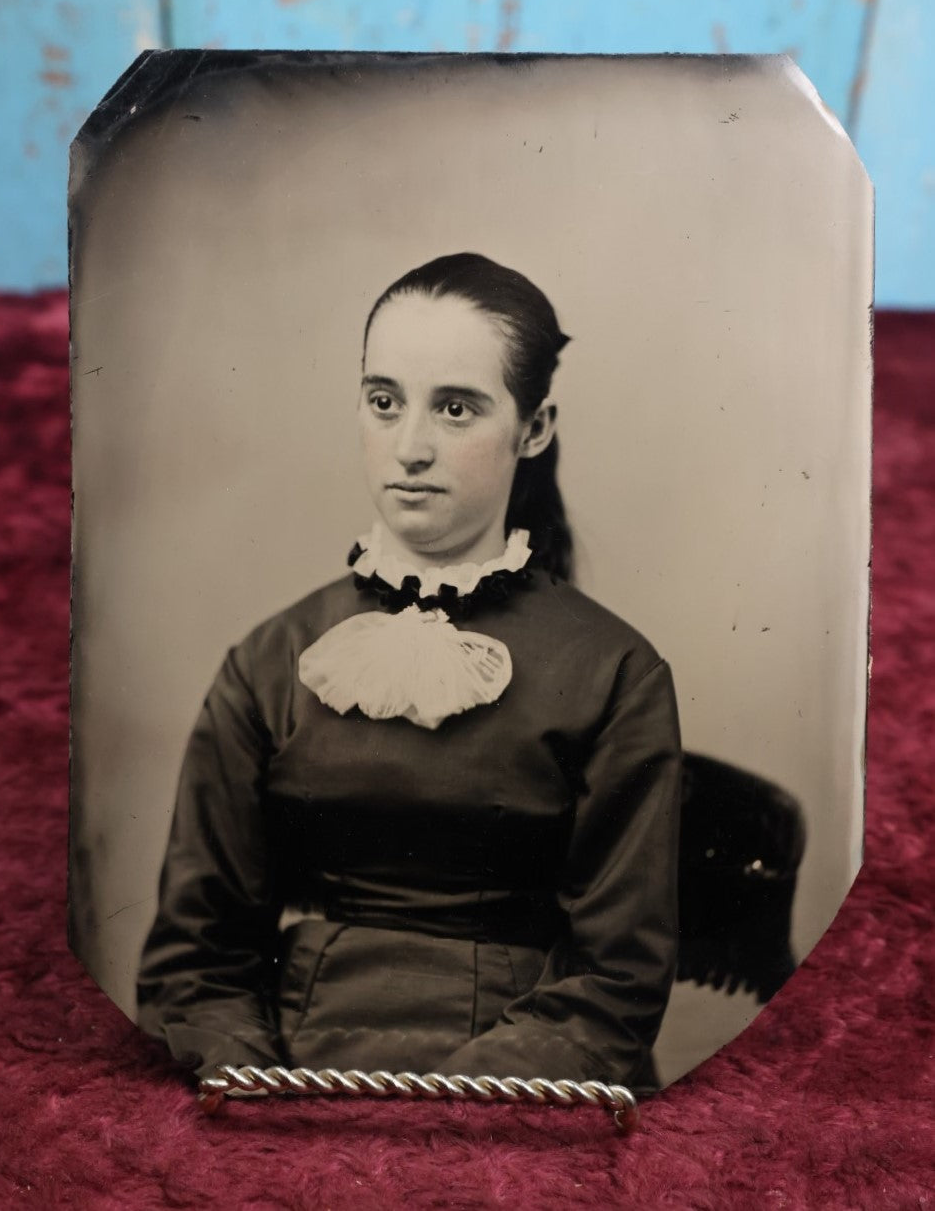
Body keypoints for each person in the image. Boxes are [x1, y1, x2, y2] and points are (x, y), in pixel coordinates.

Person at [137, 252, 682, 1096]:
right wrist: (264, 1102)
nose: (411, 447)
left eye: (457, 408)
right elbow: (196, 961)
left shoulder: (615, 672)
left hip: (529, 1097)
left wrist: (443, 1121)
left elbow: (616, 982)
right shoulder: (271, 660)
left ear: (533, 429)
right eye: (384, 402)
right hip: (286, 1084)